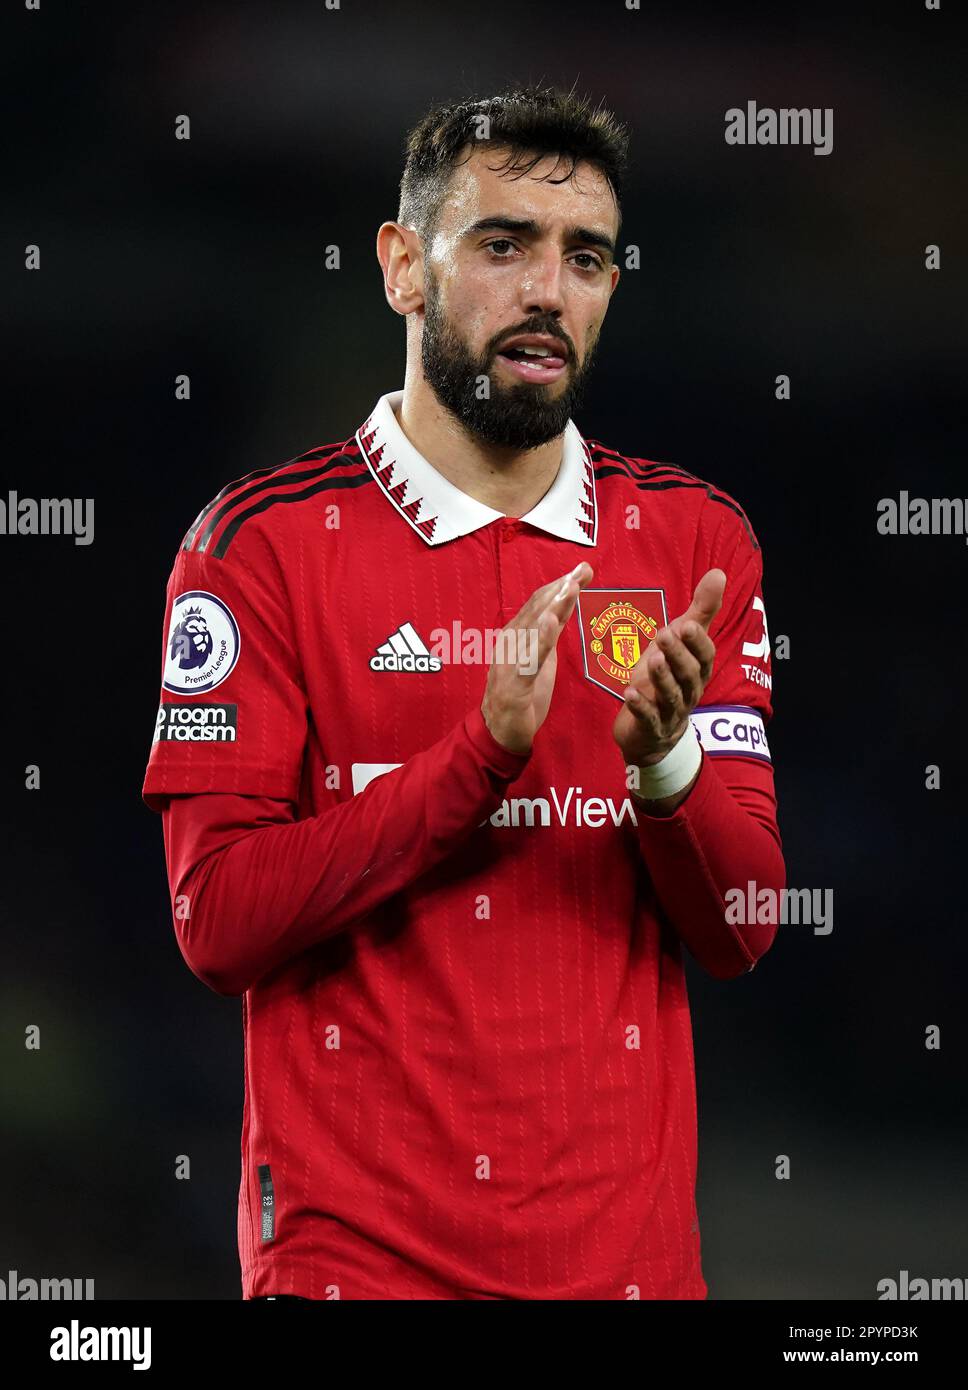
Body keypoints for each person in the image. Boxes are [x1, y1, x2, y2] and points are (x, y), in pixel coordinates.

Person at [143, 84, 784, 1300]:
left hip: (624, 1269)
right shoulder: (256, 549)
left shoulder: (692, 541)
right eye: (502, 245)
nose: (546, 290)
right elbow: (215, 921)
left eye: (582, 256)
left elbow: (743, 922)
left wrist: (663, 767)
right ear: (402, 266)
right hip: (357, 1265)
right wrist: (473, 761)